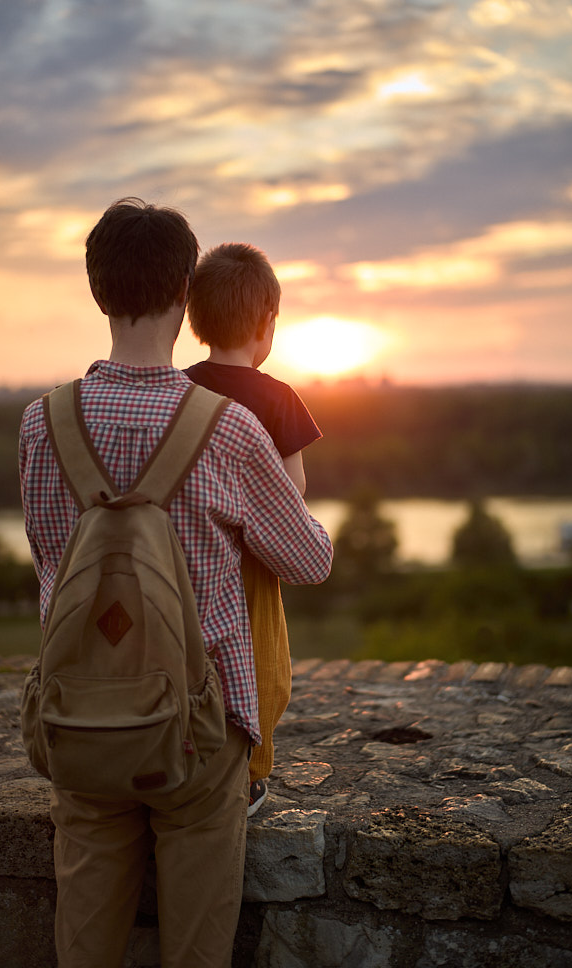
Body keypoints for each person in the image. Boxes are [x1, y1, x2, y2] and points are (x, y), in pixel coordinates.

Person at [19, 198, 333, 968]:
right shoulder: (226, 426)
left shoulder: (40, 423)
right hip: (199, 733)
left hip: (82, 719)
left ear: (98, 290)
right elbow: (309, 560)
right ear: (183, 293)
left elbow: (49, 564)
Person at [185, 242, 322, 817]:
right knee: (264, 669)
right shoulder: (278, 399)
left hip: (189, 558)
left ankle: (189, 754)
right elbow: (292, 500)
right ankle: (247, 776)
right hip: (252, 568)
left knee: (191, 665)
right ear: (267, 323)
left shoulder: (180, 389)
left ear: (196, 322)